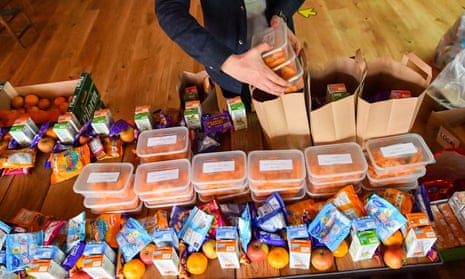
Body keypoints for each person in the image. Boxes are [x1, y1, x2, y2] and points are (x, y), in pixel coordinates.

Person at [155, 0, 305, 109]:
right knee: (242, 120)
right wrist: (226, 61)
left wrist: (281, 14)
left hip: (280, 49)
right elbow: (169, 9)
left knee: (290, 113)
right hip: (229, 61)